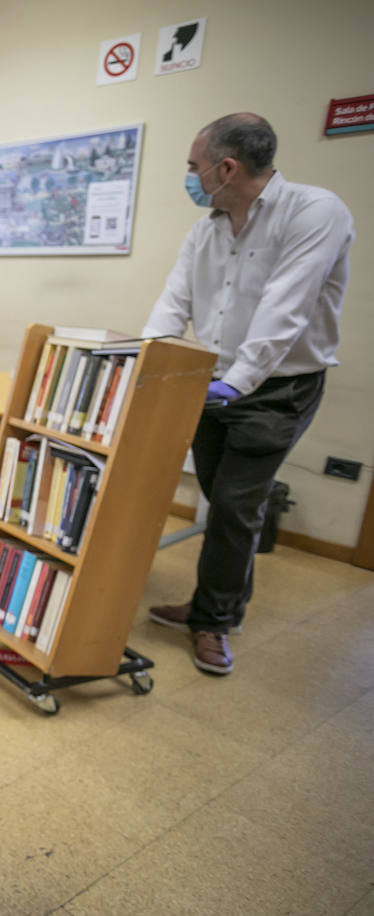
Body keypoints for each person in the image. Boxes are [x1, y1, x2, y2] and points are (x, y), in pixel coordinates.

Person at [142, 113, 354, 675]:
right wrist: (145, 361)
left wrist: (235, 385)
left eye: (194, 165)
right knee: (224, 499)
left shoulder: (314, 212)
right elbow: (173, 301)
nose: (189, 175)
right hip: (212, 381)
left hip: (276, 388)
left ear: (226, 167)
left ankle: (211, 622)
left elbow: (285, 309)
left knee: (235, 504)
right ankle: (223, 602)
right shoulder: (206, 229)